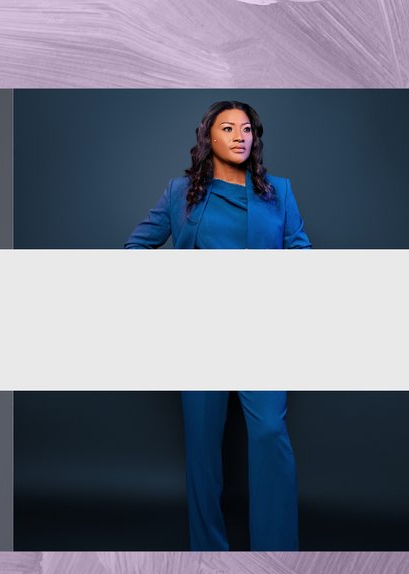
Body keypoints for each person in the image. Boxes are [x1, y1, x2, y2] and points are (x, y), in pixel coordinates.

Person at [124, 100, 308, 551]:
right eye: (228, 128)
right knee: (203, 454)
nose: (240, 136)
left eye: (246, 129)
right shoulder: (178, 193)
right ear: (209, 137)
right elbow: (134, 248)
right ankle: (209, 553)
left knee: (269, 432)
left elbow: (301, 252)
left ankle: (278, 550)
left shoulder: (278, 192)